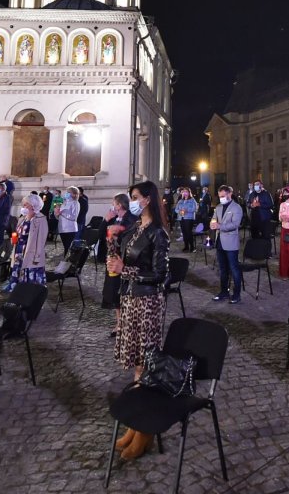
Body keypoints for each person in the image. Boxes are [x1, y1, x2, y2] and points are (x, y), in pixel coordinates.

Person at [108, 180, 170, 460]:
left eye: (135, 197)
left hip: (148, 302)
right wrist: (112, 246)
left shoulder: (158, 233)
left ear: (147, 200)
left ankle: (144, 432)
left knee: (146, 364)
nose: (132, 201)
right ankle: (135, 425)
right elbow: (120, 261)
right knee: (135, 364)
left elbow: (160, 275)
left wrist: (127, 270)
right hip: (130, 299)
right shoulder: (134, 229)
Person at [102, 193, 136, 338]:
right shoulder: (114, 218)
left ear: (120, 205)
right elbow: (101, 236)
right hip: (112, 258)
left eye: (114, 203)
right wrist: (105, 220)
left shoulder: (132, 219)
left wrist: (119, 232)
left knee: (123, 292)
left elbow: (131, 239)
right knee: (114, 292)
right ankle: (119, 323)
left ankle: (126, 324)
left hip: (124, 261)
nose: (113, 206)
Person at [5, 193, 47, 291]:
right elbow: (18, 231)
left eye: (26, 204)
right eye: (23, 204)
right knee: (18, 270)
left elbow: (41, 240)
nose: (23, 206)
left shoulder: (40, 219)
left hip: (30, 252)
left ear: (33, 205)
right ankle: (17, 290)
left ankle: (29, 293)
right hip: (19, 250)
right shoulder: (23, 218)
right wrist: (14, 238)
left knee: (30, 275)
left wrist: (37, 256)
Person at [211, 185, 244, 304]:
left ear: (229, 194)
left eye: (223, 196)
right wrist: (213, 223)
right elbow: (214, 218)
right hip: (219, 241)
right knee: (223, 269)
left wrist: (220, 226)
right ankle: (224, 292)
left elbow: (235, 224)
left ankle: (236, 294)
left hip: (230, 243)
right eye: (219, 196)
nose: (221, 198)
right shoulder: (219, 207)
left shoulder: (237, 208)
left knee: (234, 269)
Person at [173, 187, 197, 252]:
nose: (185, 193)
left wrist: (187, 210)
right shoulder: (180, 201)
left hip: (189, 218)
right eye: (184, 192)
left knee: (188, 232)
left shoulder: (192, 200)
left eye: (186, 192)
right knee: (184, 233)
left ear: (189, 193)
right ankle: (186, 246)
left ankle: (192, 247)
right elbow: (176, 209)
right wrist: (179, 211)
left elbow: (195, 208)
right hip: (181, 218)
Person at [57, 186, 80, 254]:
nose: (66, 194)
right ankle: (66, 261)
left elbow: (74, 217)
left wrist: (63, 213)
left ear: (74, 194)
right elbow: (60, 216)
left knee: (68, 247)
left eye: (68, 192)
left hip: (70, 228)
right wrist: (57, 213)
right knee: (65, 246)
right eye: (66, 192)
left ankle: (68, 262)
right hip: (62, 228)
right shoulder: (64, 203)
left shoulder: (75, 203)